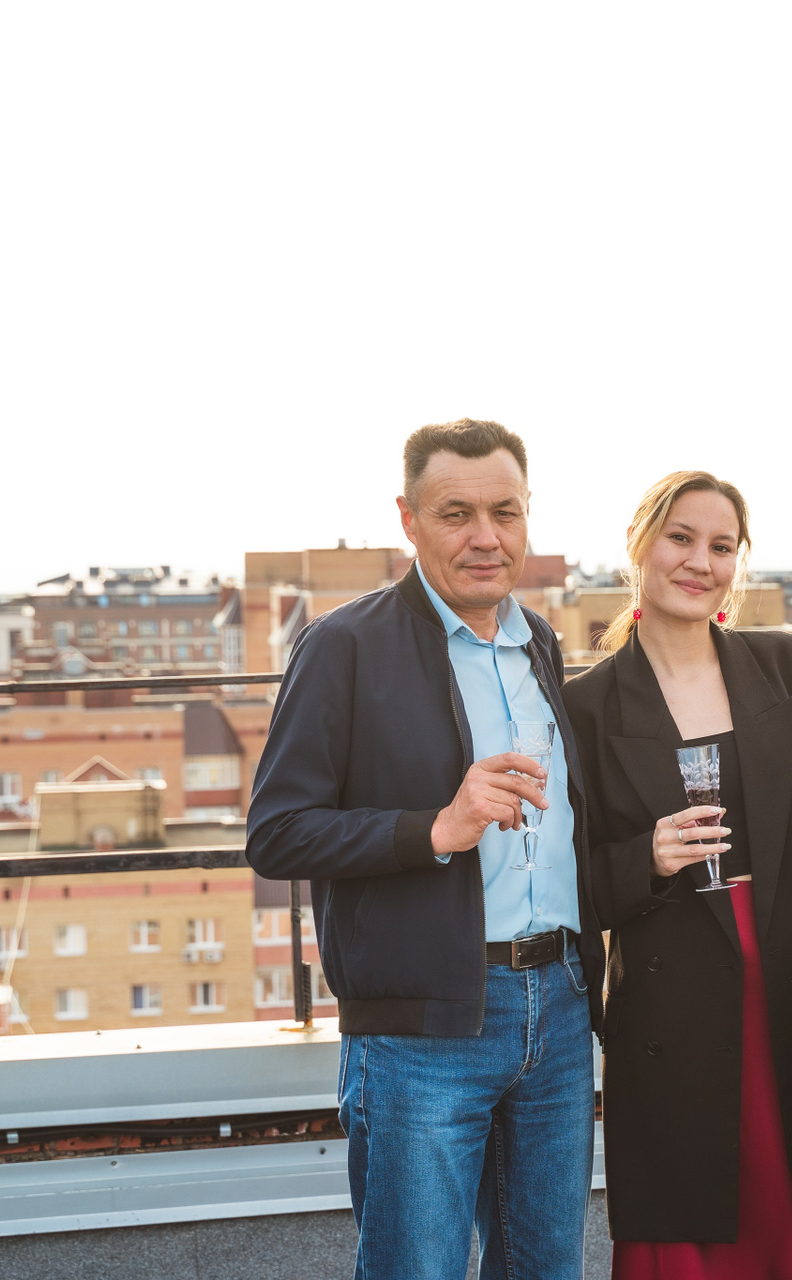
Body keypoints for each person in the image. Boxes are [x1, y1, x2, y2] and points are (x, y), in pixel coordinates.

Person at [246, 419, 604, 1280]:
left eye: (505, 512)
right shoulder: (344, 646)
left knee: (547, 1270)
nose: (486, 537)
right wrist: (436, 829)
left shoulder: (539, 642)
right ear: (408, 520)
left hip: (557, 1011)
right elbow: (277, 832)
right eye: (455, 514)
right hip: (421, 1030)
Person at [564, 471, 792, 1279]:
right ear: (640, 545)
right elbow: (568, 886)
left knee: (787, 1209)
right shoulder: (585, 705)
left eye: (722, 546)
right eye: (681, 538)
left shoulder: (790, 666)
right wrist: (646, 856)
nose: (700, 562)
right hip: (673, 1004)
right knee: (685, 1227)